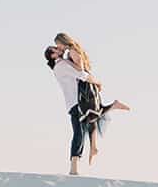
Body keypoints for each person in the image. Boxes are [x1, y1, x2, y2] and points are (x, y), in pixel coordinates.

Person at [45, 32, 129, 175]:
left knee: (83, 128)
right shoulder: (61, 65)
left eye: (58, 46)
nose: (58, 49)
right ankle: (76, 164)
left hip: (76, 101)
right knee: (83, 128)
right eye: (55, 49)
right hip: (76, 102)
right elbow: (81, 74)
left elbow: (81, 72)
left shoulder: (64, 62)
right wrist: (97, 82)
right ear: (52, 55)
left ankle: (76, 165)